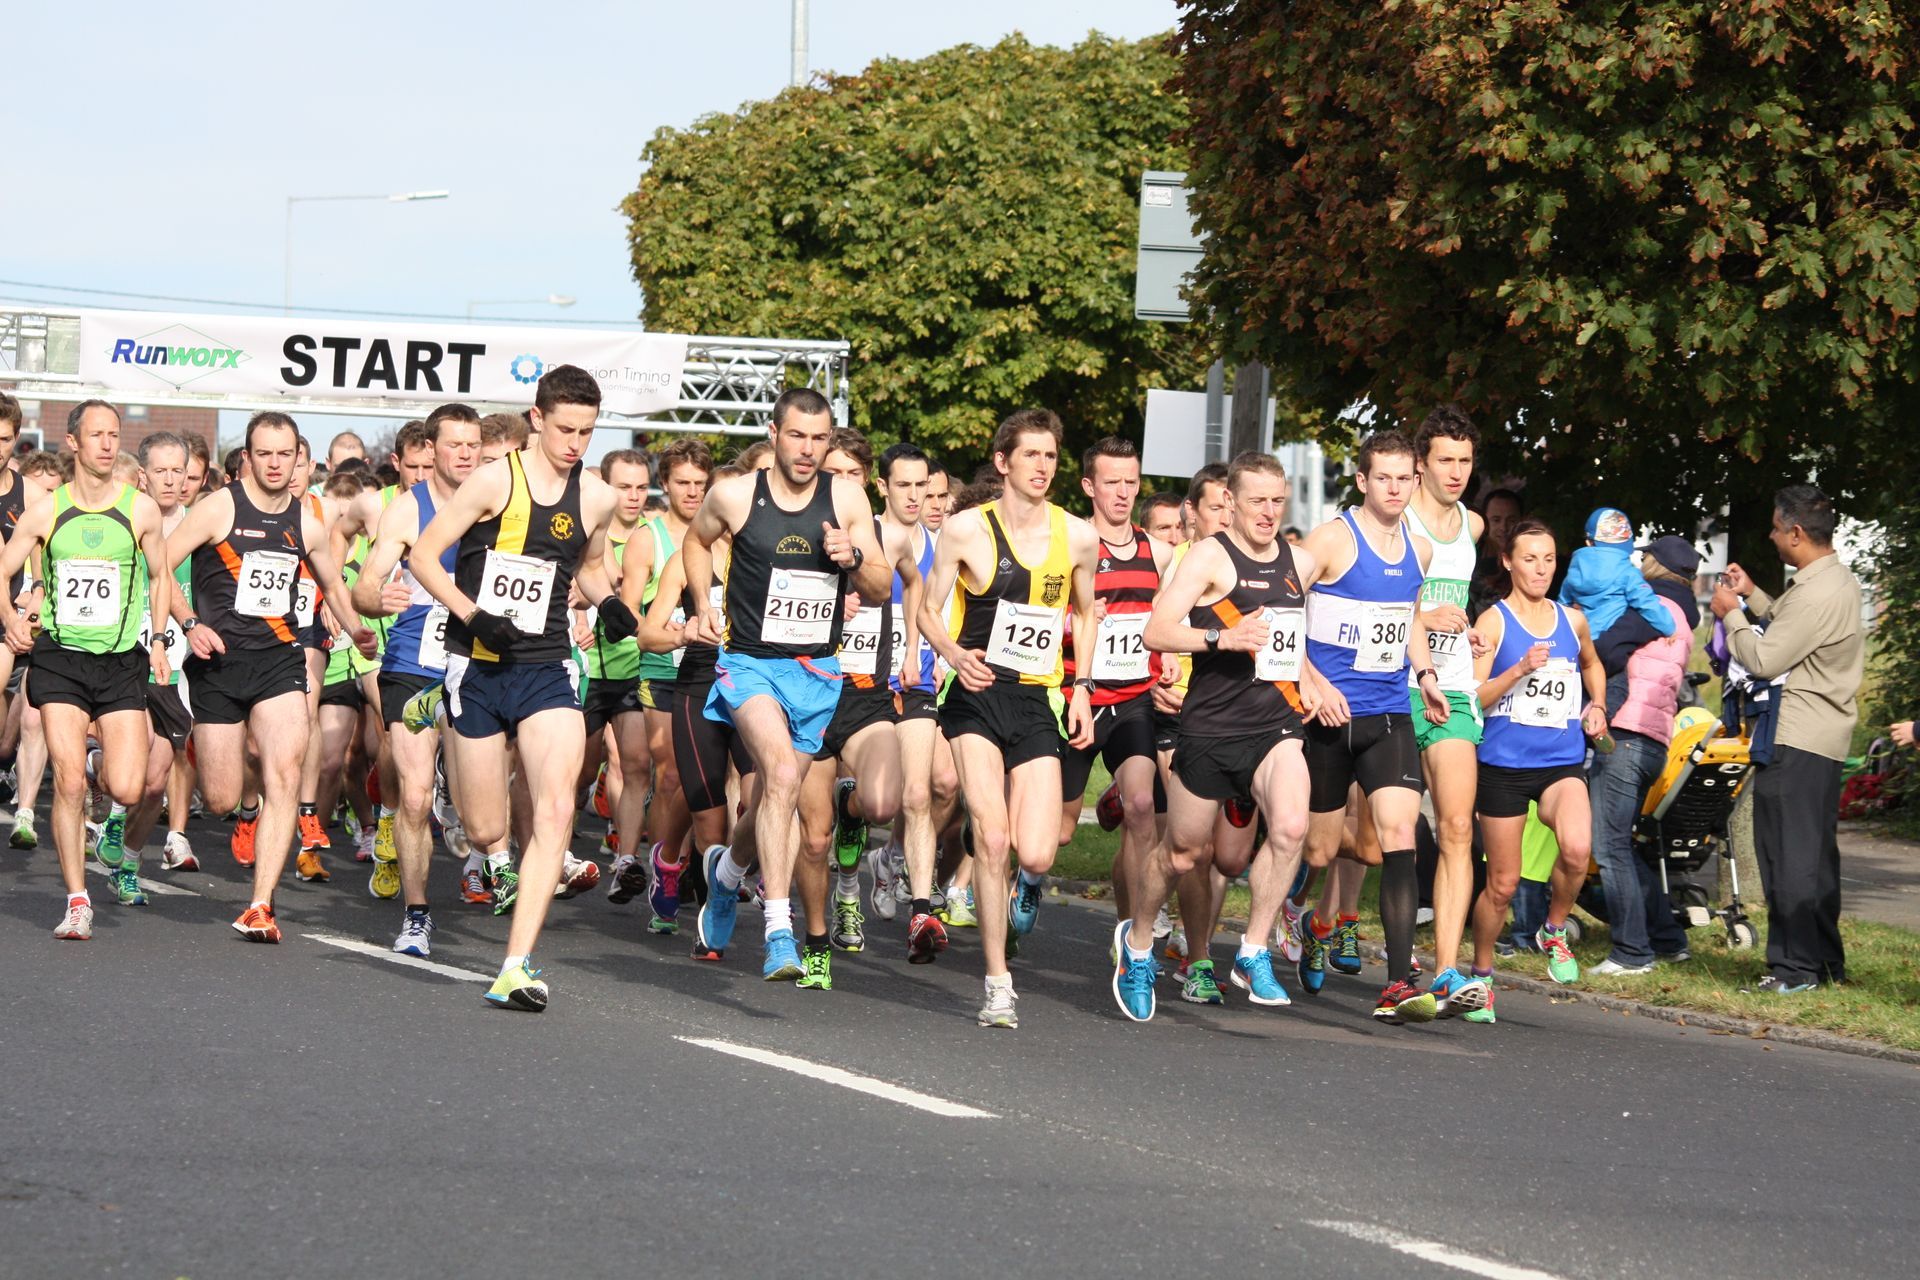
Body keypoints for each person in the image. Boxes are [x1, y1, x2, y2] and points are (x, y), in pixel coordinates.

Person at [409, 365, 633, 1009]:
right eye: (565, 428)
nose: (575, 443)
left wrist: (607, 603)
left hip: (546, 668)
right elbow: (424, 556)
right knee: (485, 829)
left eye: (587, 432)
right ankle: (460, 784)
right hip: (476, 666)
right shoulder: (492, 480)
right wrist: (474, 614)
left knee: (558, 807)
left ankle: (516, 964)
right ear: (537, 419)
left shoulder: (594, 496)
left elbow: (588, 567)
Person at [680, 388, 890, 983]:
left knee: (780, 791)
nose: (808, 449)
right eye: (797, 435)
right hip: (749, 664)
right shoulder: (735, 495)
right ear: (773, 434)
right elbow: (697, 541)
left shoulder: (846, 497)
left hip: (817, 672)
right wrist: (703, 602)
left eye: (820, 438)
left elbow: (877, 588)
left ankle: (725, 874)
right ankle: (778, 929)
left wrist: (852, 557)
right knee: (781, 775)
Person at [1114, 451, 1315, 1021]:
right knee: (1181, 853)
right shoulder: (1208, 555)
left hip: (1275, 724)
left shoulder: (1298, 560)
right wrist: (1221, 641)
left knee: (1292, 825)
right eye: (1257, 500)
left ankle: (1251, 951)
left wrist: (1314, 679)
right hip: (1209, 726)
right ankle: (1140, 945)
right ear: (1230, 500)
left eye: (1278, 501)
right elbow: (1156, 630)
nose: (1268, 512)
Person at [917, 408, 1099, 1028]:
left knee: (1039, 852)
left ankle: (1008, 871)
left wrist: (1082, 689)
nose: (1043, 467)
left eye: (1051, 456)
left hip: (1035, 699)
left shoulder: (1077, 536)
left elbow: (1088, 614)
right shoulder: (967, 529)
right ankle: (998, 980)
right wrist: (950, 653)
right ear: (1003, 463)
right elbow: (927, 608)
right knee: (994, 837)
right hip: (975, 695)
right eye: (1031, 455)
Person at [166, 412, 376, 942]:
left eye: (285, 454)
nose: (276, 464)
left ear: (298, 457)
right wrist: (188, 623)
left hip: (280, 660)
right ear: (248, 458)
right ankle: (231, 788)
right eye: (265, 454)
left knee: (284, 774)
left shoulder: (307, 520)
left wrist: (357, 629)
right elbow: (159, 564)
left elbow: (331, 581)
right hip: (217, 662)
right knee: (219, 796)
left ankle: (260, 904)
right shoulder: (219, 507)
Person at [1294, 430, 1451, 1023]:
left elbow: (1406, 616)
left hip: (1389, 715)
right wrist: (1310, 679)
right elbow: (1283, 607)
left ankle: (1399, 982)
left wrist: (1427, 673)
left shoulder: (1420, 548)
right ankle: (1313, 922)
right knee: (1319, 848)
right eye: (1382, 477)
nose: (1394, 487)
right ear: (1362, 481)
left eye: (1405, 476)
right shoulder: (1333, 539)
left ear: (1416, 481)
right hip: (1328, 720)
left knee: (1398, 839)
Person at [0, 402, 171, 937]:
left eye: (113, 435)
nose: (106, 444)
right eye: (96, 435)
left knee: (130, 786)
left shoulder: (140, 509)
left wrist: (161, 638)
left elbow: (162, 576)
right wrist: (10, 619)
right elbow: (3, 569)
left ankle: (103, 780)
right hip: (61, 660)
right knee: (68, 781)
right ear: (72, 442)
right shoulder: (47, 511)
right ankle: (78, 902)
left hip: (121, 663)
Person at [1710, 484, 1864, 993]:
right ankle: (1822, 964)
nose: (1773, 537)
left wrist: (1730, 614)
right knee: (1815, 858)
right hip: (1824, 738)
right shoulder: (1833, 582)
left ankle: (1793, 970)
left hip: (1796, 736)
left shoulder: (1816, 593)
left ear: (1796, 532)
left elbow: (1764, 659)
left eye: (1776, 529)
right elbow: (1795, 626)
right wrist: (1753, 596)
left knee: (1787, 856)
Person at [351, 403, 483, 957]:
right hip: (412, 665)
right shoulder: (409, 509)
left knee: (481, 810)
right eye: (453, 444)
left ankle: (482, 841)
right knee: (413, 793)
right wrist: (376, 600)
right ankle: (416, 913)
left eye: (473, 445)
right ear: (430, 450)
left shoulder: (496, 504)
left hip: (476, 664)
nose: (465, 454)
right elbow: (363, 587)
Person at [1467, 518, 1609, 1013]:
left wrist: (1598, 704)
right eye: (1529, 558)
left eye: (1549, 559)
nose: (1540, 569)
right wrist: (1519, 669)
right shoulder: (1494, 622)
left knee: (1576, 849)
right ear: (1508, 561)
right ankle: (1482, 975)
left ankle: (1553, 929)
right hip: (1502, 767)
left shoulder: (1573, 621)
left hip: (1560, 763)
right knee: (1502, 886)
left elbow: (1592, 663)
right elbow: (1474, 698)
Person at [1400, 406, 1493, 1016]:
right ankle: (1323, 917)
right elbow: (1379, 600)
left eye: (1464, 461)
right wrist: (1423, 622)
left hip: (1451, 688)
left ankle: (1446, 972)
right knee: (1361, 839)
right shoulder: (1397, 520)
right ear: (1421, 464)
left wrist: (1465, 638)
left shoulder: (1474, 526)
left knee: (1458, 827)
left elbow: (1453, 603)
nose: (1456, 472)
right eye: (1445, 461)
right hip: (1391, 684)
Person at [1587, 534, 1700, 974]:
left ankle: (1632, 952)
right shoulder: (1685, 617)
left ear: (1655, 565)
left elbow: (1605, 650)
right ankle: (1668, 938)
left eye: (1643, 558)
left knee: (1610, 846)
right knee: (1625, 848)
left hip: (1625, 733)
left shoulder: (1651, 607)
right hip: (1654, 740)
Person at [1559, 506, 1679, 638]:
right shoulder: (1628, 573)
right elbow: (1646, 602)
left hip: (1580, 639)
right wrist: (1670, 628)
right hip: (1612, 642)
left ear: (1588, 542)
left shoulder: (1574, 572)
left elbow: (1562, 607)